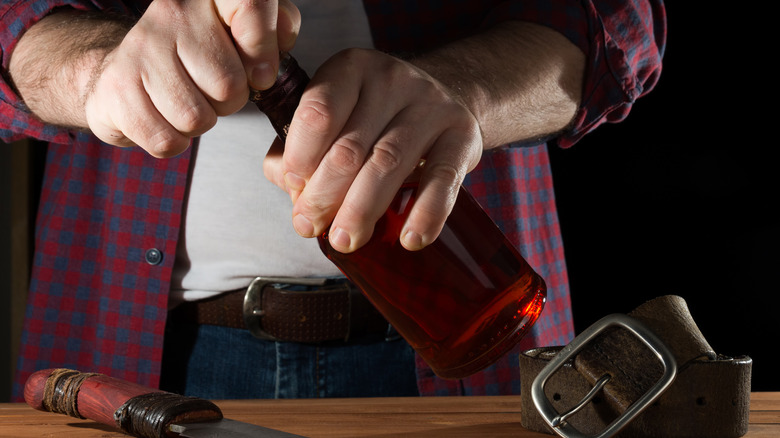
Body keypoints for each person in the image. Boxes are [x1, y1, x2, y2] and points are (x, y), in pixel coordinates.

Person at [1, 0, 666, 401]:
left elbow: (619, 20)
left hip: (481, 345)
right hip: (152, 355)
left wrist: (468, 90)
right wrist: (93, 70)